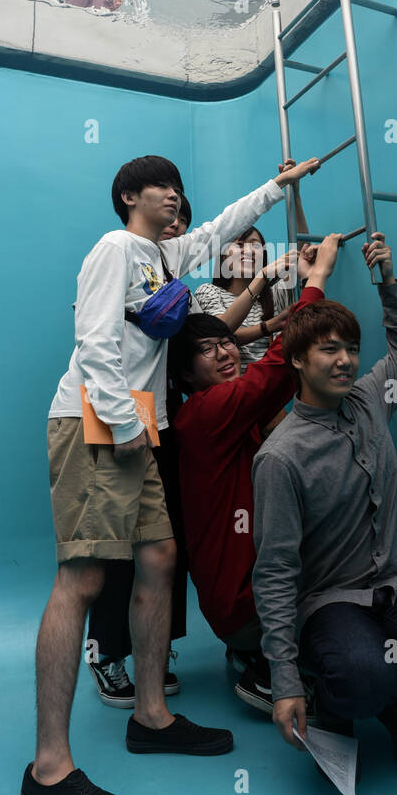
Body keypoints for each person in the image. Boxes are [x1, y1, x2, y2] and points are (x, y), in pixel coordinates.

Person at [20, 152, 321, 795]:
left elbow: (221, 229)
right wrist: (126, 424)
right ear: (130, 195)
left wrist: (278, 187)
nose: (176, 198)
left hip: (137, 425)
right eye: (163, 188)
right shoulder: (117, 247)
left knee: (158, 560)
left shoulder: (164, 256)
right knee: (84, 577)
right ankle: (47, 769)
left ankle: (151, 717)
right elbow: (93, 338)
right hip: (97, 420)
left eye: (181, 190)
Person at [251, 233, 397, 782]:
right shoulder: (279, 458)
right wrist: (283, 679)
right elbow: (275, 572)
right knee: (361, 675)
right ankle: (336, 702)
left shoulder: (370, 400)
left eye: (350, 348)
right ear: (297, 360)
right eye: (328, 349)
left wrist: (387, 281)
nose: (345, 360)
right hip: (331, 599)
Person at [169, 237, 341, 713]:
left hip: (236, 605)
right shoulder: (209, 410)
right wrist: (317, 280)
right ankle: (267, 670)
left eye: (226, 342)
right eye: (207, 351)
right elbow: (277, 367)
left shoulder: (223, 413)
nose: (225, 353)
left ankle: (251, 653)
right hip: (249, 606)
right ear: (185, 377)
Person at [85, 195, 193, 708]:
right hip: (124, 418)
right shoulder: (119, 258)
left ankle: (158, 649)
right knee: (114, 550)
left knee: (167, 549)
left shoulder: (179, 284)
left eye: (182, 225)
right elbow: (96, 342)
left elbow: (219, 336)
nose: (174, 229)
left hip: (164, 420)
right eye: (168, 221)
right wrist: (122, 422)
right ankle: (107, 652)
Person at [193, 160, 308, 366]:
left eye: (254, 245)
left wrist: (295, 194)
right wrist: (270, 323)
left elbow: (304, 254)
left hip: (270, 391)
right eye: (238, 245)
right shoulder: (209, 291)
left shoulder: (274, 294)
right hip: (231, 390)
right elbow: (222, 333)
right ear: (222, 256)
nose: (248, 251)